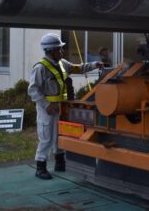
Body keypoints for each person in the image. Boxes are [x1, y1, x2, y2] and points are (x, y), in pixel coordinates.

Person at [28, 33, 103, 180]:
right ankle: (40, 167)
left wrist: (95, 65)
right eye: (59, 49)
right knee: (46, 137)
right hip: (47, 110)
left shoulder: (62, 63)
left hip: (61, 109)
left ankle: (59, 162)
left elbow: (78, 68)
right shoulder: (40, 68)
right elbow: (33, 90)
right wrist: (46, 105)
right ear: (50, 50)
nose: (62, 51)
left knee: (59, 135)